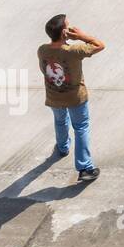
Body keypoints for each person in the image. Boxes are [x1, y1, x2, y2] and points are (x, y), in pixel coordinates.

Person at [38, 14, 105, 182]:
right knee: (81, 127)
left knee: (60, 121)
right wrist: (81, 36)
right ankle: (85, 167)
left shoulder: (42, 50)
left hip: (54, 95)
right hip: (75, 98)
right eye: (69, 26)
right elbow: (100, 45)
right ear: (64, 33)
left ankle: (62, 147)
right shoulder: (74, 51)